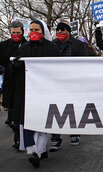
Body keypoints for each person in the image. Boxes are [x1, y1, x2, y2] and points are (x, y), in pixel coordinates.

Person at [11, 19, 59, 168]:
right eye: (31, 30)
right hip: (27, 92)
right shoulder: (23, 48)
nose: (33, 33)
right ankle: (33, 151)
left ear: (43, 32)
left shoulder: (52, 48)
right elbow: (15, 71)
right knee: (28, 121)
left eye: (36, 30)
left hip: (45, 91)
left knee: (44, 122)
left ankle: (40, 150)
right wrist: (16, 65)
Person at [49, 20, 88, 151]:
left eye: (63, 30)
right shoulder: (52, 45)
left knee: (73, 109)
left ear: (68, 32)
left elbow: (85, 63)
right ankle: (55, 138)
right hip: (56, 83)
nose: (60, 32)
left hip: (74, 83)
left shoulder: (78, 45)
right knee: (55, 110)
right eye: (58, 30)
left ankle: (75, 133)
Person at [0, 21, 27, 149]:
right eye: (13, 33)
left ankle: (21, 139)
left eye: (18, 33)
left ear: (22, 32)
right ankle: (18, 138)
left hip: (24, 83)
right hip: (10, 83)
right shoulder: (3, 45)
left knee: (21, 112)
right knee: (14, 111)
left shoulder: (27, 45)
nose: (16, 35)